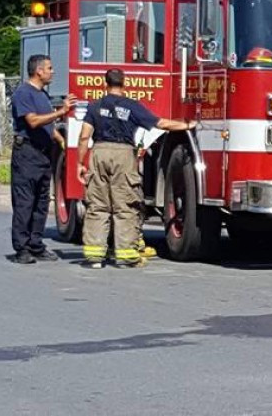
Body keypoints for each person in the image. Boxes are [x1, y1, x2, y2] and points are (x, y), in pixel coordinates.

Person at [77, 68, 197, 269]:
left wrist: (80, 163)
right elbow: (161, 123)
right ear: (124, 83)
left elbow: (84, 136)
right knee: (125, 205)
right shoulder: (132, 106)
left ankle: (94, 257)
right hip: (123, 154)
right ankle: (125, 256)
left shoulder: (94, 107)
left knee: (97, 204)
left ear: (105, 84)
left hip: (99, 152)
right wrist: (187, 125)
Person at [10, 54, 76, 264]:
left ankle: (36, 244)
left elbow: (48, 127)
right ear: (38, 71)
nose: (52, 71)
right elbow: (33, 121)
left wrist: (60, 141)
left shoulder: (43, 95)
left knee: (41, 202)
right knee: (25, 203)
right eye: (49, 68)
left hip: (43, 154)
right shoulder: (24, 93)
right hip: (26, 154)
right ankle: (22, 248)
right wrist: (61, 112)